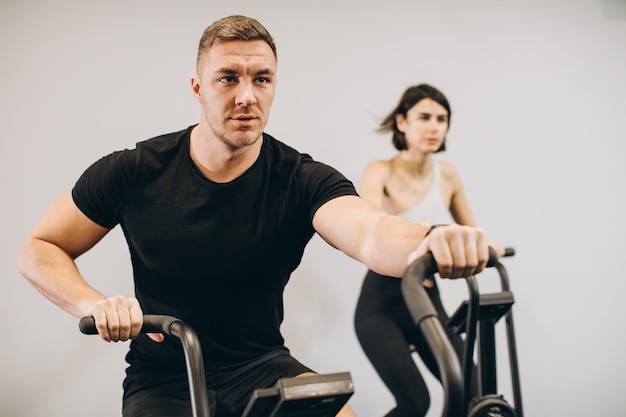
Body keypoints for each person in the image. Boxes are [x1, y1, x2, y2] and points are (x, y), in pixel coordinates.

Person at [16, 17, 491, 417]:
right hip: (164, 375)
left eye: (261, 79)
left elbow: (369, 232)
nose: (247, 95)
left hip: (261, 364)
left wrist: (433, 237)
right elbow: (39, 247)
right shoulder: (136, 170)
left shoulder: (301, 178)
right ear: (198, 88)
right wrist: (90, 304)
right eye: (229, 78)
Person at [354, 83, 504, 417]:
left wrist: (487, 247)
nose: (434, 126)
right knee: (414, 404)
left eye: (441, 118)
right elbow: (369, 223)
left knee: (474, 393)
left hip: (426, 301)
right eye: (424, 117)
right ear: (402, 122)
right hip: (382, 305)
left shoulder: (448, 175)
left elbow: (472, 231)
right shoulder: (381, 171)